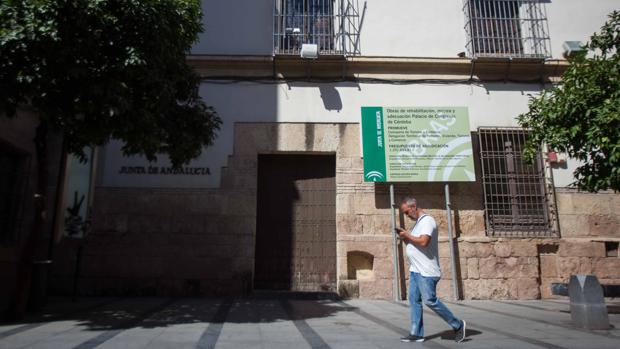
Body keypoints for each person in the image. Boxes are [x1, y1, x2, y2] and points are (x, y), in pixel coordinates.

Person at [396, 197, 466, 343]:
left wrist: (407, 235)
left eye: (407, 212)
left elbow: (423, 241)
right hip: (416, 270)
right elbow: (417, 242)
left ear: (414, 206)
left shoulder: (428, 221)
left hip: (427, 271)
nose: (407, 215)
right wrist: (406, 237)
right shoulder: (418, 224)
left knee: (430, 300)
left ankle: (458, 324)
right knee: (414, 300)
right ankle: (416, 333)